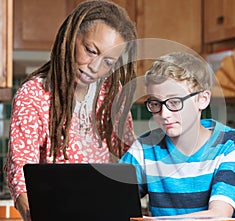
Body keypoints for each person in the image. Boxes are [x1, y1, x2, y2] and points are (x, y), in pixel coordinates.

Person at [5, 0, 137, 220]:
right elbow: (20, 177)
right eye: (91, 51)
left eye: (108, 62)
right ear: (71, 37)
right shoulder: (34, 94)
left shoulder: (113, 94)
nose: (95, 67)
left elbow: (132, 158)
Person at [120, 52, 235, 219]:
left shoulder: (229, 144)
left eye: (174, 102)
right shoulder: (146, 147)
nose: (164, 114)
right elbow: (110, 199)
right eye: (155, 103)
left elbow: (218, 217)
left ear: (203, 99)